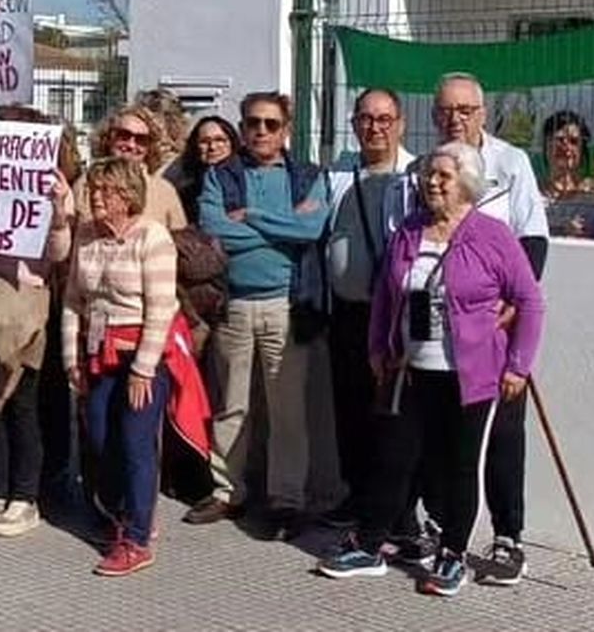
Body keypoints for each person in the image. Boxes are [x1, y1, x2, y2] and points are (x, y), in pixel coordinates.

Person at [319, 142, 545, 598]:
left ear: (467, 183)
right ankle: (369, 543)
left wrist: (519, 366)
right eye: (428, 174)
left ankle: (453, 554)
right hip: (412, 369)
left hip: (471, 375)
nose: (432, 182)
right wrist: (379, 347)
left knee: (462, 466)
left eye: (443, 175)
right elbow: (387, 295)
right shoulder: (409, 231)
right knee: (393, 458)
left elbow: (530, 301)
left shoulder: (492, 235)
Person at [186, 92, 329, 537]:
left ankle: (287, 500)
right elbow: (215, 231)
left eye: (270, 124)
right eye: (252, 123)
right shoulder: (222, 177)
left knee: (287, 410)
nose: (260, 131)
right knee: (231, 405)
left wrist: (252, 217)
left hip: (285, 306)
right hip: (235, 304)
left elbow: (312, 229)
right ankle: (228, 491)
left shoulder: (307, 176)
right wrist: (280, 227)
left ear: (285, 129)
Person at [429, 72, 548, 585]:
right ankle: (441, 527)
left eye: (466, 110)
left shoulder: (511, 163)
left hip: (496, 325)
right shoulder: (427, 169)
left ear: (482, 112)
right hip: (439, 335)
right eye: (447, 111)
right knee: (444, 436)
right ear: (435, 116)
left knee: (503, 434)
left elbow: (533, 240)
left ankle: (507, 537)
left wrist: (513, 307)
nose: (456, 119)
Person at [61, 158, 192, 577]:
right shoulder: (85, 235)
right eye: (93, 190)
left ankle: (136, 538)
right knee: (100, 437)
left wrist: (143, 369)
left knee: (136, 443)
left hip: (142, 354)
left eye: (106, 191)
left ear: (127, 195)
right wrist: (71, 358)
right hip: (99, 351)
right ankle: (122, 512)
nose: (96, 198)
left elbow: (161, 308)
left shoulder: (151, 237)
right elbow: (71, 302)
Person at [0, 165, 75, 539]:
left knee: (21, 403)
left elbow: (59, 252)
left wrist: (56, 210)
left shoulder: (53, 190)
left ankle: (24, 497)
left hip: (26, 309)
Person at [322, 88, 413, 526]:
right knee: (349, 408)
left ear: (400, 124)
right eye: (365, 118)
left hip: (393, 315)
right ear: (354, 123)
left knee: (392, 414)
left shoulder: (414, 177)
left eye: (384, 119)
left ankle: (393, 510)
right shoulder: (338, 174)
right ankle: (355, 496)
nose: (374, 127)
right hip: (345, 312)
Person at [84, 106, 187, 230]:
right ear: (108, 138)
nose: (131, 145)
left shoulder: (164, 191)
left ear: (150, 147)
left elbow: (181, 242)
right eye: (124, 135)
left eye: (141, 139)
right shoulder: (84, 185)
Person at [171, 116, 242, 225]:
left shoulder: (247, 179)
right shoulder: (186, 190)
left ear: (232, 142)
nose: (212, 147)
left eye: (220, 140)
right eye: (204, 141)